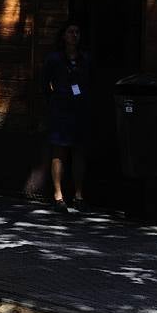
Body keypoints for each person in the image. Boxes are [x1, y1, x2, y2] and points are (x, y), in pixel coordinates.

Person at [44, 21, 90, 213]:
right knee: (59, 151)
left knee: (79, 151)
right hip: (60, 109)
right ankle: (58, 195)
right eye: (70, 31)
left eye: (77, 32)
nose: (74, 35)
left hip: (79, 109)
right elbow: (44, 82)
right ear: (63, 36)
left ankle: (79, 195)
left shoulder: (84, 59)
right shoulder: (55, 59)